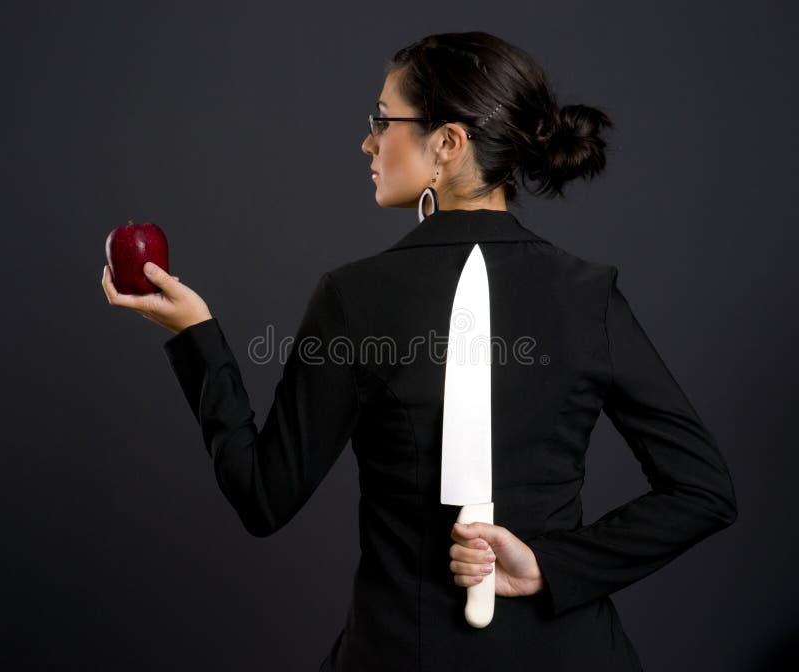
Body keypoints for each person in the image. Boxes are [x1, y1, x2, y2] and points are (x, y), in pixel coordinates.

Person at [101, 31, 738, 672]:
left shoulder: (356, 295)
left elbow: (264, 498)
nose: (368, 142)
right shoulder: (588, 294)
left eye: (383, 120)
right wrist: (549, 567)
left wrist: (196, 335)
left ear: (448, 144)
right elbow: (703, 491)